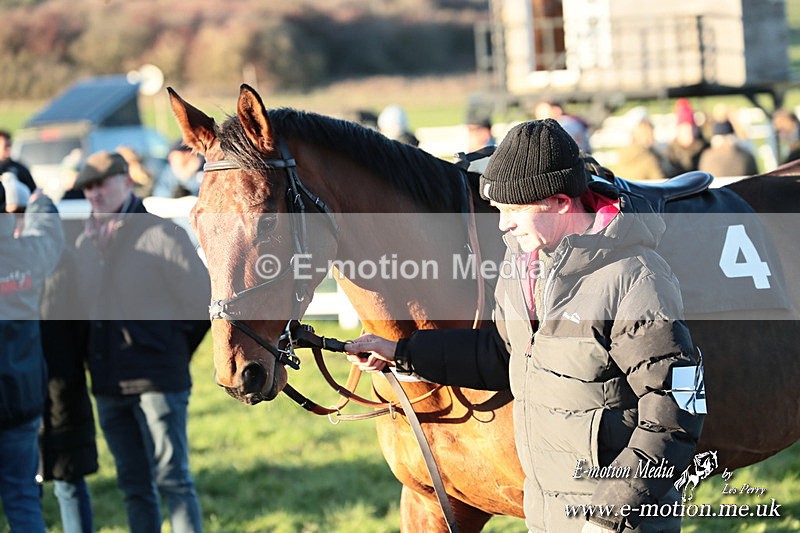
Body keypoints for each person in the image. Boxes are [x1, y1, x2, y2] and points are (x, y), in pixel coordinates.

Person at [345, 119, 705, 532]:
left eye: (515, 209)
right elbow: (501, 353)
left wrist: (611, 513)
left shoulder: (635, 278)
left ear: (560, 203)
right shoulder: (523, 265)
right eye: (499, 211)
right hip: (549, 516)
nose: (503, 224)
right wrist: (403, 355)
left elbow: (678, 406)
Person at [73, 150, 211, 533]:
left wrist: (170, 353)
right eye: (87, 187)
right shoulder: (86, 244)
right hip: (108, 384)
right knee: (134, 487)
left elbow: (202, 303)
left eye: (101, 184)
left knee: (174, 481)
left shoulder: (161, 233)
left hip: (158, 381)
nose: (94, 194)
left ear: (126, 181)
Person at [1, 181, 65, 533]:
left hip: (21, 404)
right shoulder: (26, 256)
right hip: (21, 400)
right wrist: (41, 203)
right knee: (23, 498)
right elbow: (47, 236)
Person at [664, 99, 709, 177]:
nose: (689, 132)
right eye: (685, 129)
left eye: (691, 128)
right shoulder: (671, 153)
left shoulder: (704, 148)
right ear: (678, 130)